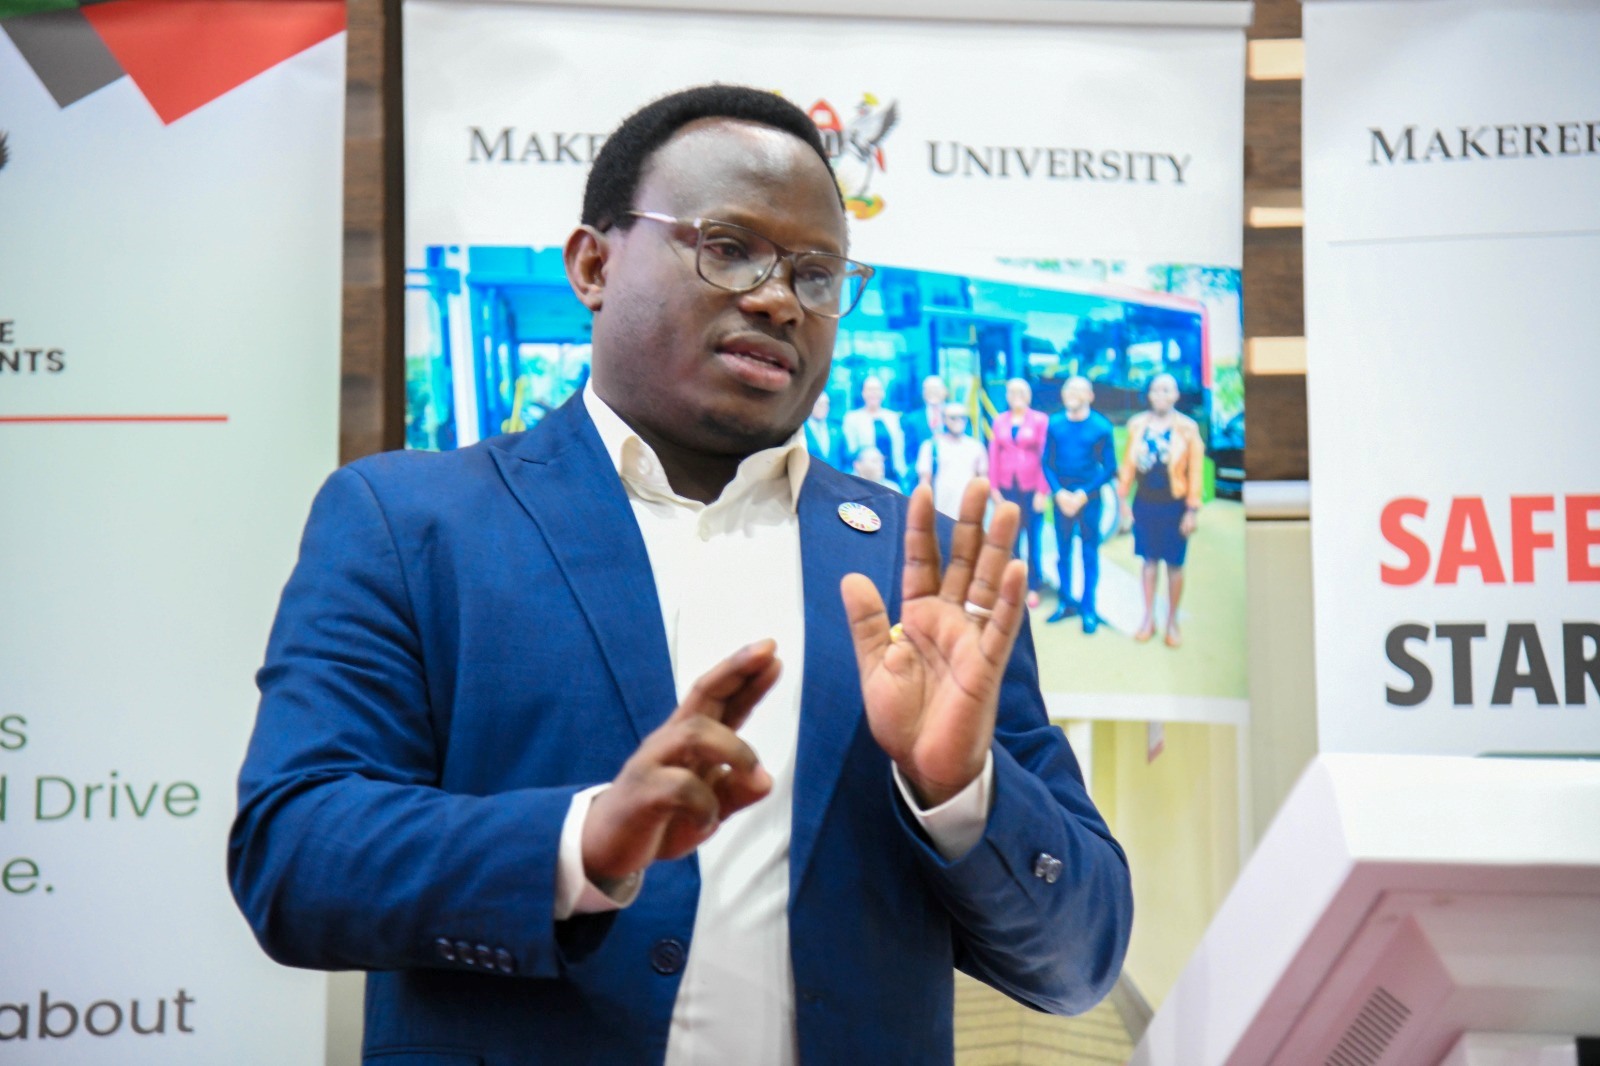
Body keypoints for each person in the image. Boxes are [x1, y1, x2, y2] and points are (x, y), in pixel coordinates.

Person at [229, 85, 1130, 1065]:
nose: (779, 298)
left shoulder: (913, 573)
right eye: (729, 246)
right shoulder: (409, 523)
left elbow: (1076, 962)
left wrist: (960, 791)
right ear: (593, 263)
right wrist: (582, 841)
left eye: (817, 274)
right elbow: (294, 854)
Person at [1118, 372, 1205, 647]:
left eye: (1167, 390)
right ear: (1149, 394)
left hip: (1175, 506)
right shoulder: (1137, 425)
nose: (1161, 395)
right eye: (1156, 390)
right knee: (1148, 562)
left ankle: (1172, 622)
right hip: (1144, 503)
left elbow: (1196, 472)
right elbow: (1128, 466)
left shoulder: (1188, 428)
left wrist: (1191, 510)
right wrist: (1122, 500)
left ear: (1176, 395)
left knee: (1175, 565)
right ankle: (1148, 619)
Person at [1042, 377, 1117, 633]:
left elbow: (1109, 467)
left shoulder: (1101, 427)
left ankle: (1089, 608)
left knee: (1088, 554)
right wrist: (1058, 493)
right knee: (1063, 553)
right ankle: (1065, 602)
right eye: (1067, 390)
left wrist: (1084, 494)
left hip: (1089, 500)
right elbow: (1046, 463)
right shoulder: (1054, 424)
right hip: (1061, 499)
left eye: (1077, 390)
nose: (1070, 394)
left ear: (1090, 395)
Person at [988, 376, 1050, 609]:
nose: (1017, 397)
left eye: (1022, 392)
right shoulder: (999, 420)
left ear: (1029, 396)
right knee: (1010, 539)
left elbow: (1045, 457)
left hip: (1031, 488)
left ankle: (1033, 586)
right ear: (1007, 396)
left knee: (1033, 539)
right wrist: (993, 488)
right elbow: (994, 455)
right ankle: (1013, 585)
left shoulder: (1040, 420)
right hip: (1007, 487)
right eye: (1012, 393)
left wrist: (1042, 492)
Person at [917, 401, 987, 519]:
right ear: (944, 419)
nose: (958, 421)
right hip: (940, 513)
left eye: (962, 418)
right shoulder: (930, 446)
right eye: (953, 418)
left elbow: (982, 480)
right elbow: (924, 482)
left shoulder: (976, 447)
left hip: (969, 514)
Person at [840, 375, 906, 486]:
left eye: (877, 389)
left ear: (883, 393)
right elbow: (852, 451)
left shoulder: (893, 417)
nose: (873, 393)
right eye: (869, 390)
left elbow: (899, 448)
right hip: (866, 477)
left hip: (893, 475)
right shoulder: (852, 418)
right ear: (863, 393)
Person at [900, 374, 948, 490]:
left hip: (950, 478)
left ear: (945, 391)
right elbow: (909, 454)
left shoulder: (956, 416)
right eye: (929, 389)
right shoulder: (912, 419)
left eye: (936, 389)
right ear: (923, 393)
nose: (933, 392)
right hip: (922, 480)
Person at [802, 388, 844, 467]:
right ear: (811, 405)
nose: (823, 407)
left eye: (826, 404)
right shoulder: (801, 430)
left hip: (836, 477)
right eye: (819, 404)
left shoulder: (837, 430)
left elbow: (844, 458)